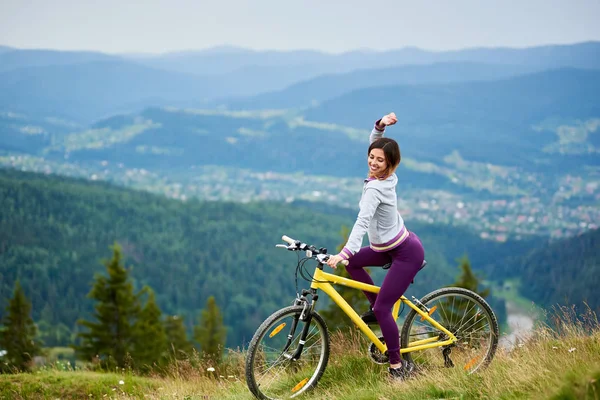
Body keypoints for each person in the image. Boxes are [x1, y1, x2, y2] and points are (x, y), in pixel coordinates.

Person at [327, 112, 425, 379]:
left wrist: (345, 251)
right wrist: (380, 126)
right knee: (355, 266)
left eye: (379, 160)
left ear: (390, 164)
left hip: (406, 253)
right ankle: (375, 305)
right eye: (371, 157)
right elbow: (377, 144)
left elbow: (361, 223)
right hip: (387, 248)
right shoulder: (386, 176)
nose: (373, 162)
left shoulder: (376, 190)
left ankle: (397, 366)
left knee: (384, 308)